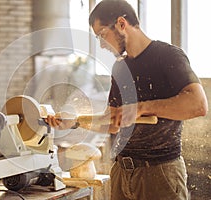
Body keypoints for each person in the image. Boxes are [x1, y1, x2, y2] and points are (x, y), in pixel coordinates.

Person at [46, 0, 208, 199]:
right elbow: (112, 122)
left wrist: (140, 108)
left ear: (122, 24)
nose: (101, 45)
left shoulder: (168, 56)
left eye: (102, 35)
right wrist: (76, 121)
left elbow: (198, 105)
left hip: (160, 174)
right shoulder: (120, 68)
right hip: (121, 173)